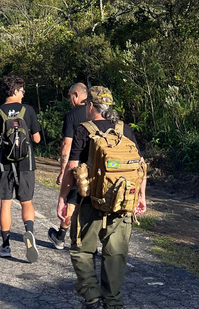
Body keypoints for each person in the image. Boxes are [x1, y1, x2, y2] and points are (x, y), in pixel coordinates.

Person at [57, 86, 147, 309]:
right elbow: (140, 167)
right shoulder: (125, 130)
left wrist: (63, 198)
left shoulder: (84, 129)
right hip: (123, 203)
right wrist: (142, 197)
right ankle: (112, 303)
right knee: (115, 254)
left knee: (81, 250)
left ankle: (92, 297)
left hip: (90, 202)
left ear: (90, 106)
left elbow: (72, 167)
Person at [0, 74, 42, 262]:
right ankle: (29, 232)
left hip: (4, 163)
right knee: (27, 201)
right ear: (15, 91)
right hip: (26, 163)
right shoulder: (28, 110)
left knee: (6, 203)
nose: (23, 94)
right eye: (22, 90)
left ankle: (6, 245)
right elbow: (37, 139)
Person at [49, 82, 88, 250]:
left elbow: (66, 144)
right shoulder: (100, 114)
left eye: (70, 96)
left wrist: (63, 171)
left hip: (77, 164)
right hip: (97, 165)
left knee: (71, 199)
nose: (69, 100)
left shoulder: (72, 116)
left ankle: (61, 237)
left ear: (77, 95)